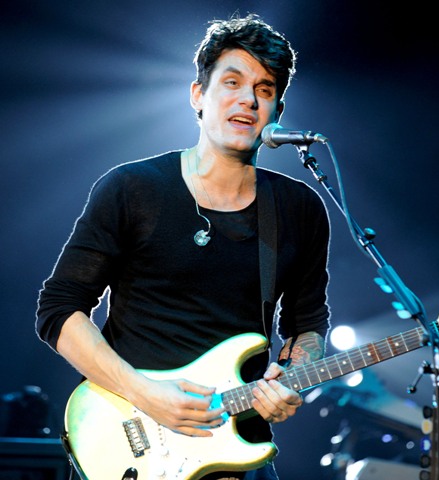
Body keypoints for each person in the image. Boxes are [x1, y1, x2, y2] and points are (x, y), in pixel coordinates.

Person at [35, 13, 331, 480]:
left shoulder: (300, 208)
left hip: (238, 446)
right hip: (132, 441)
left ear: (276, 109)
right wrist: (143, 393)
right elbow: (58, 310)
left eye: (265, 88)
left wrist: (292, 378)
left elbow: (306, 325)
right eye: (232, 82)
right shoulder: (133, 188)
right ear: (198, 95)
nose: (248, 99)